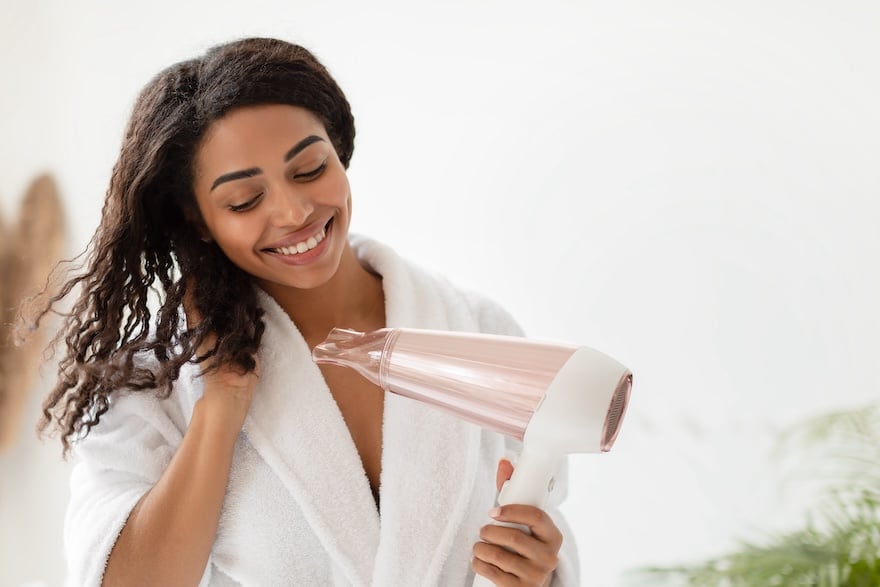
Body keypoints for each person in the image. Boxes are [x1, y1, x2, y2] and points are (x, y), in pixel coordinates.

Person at [32, 37, 578, 586]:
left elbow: (541, 531)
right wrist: (220, 408)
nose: (294, 211)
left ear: (339, 151)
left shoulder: (480, 332)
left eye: (311, 169)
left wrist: (538, 572)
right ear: (197, 220)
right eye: (244, 200)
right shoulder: (159, 383)